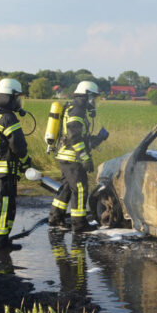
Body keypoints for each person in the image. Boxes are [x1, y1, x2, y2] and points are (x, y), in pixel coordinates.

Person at [48, 81, 99, 232]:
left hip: (66, 156)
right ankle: (79, 224)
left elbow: (78, 136)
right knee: (80, 189)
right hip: (72, 158)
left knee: (66, 188)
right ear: (87, 96)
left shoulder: (73, 107)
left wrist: (97, 139)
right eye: (94, 98)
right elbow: (74, 136)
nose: (94, 102)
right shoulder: (77, 110)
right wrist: (85, 157)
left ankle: (55, 218)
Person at [0, 78, 32, 250]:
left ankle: (2, 239)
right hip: (5, 170)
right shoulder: (7, 117)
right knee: (4, 205)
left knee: (5, 204)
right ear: (10, 97)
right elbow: (18, 145)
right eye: (17, 97)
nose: (19, 101)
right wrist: (25, 160)